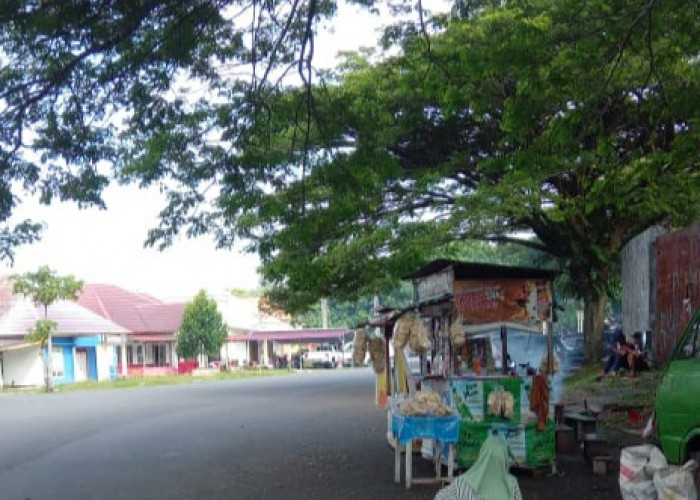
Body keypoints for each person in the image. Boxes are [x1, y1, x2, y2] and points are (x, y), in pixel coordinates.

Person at [434, 433, 522, 500]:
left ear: (482, 455)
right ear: (505, 459)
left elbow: (440, 497)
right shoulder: (513, 486)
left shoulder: (463, 483)